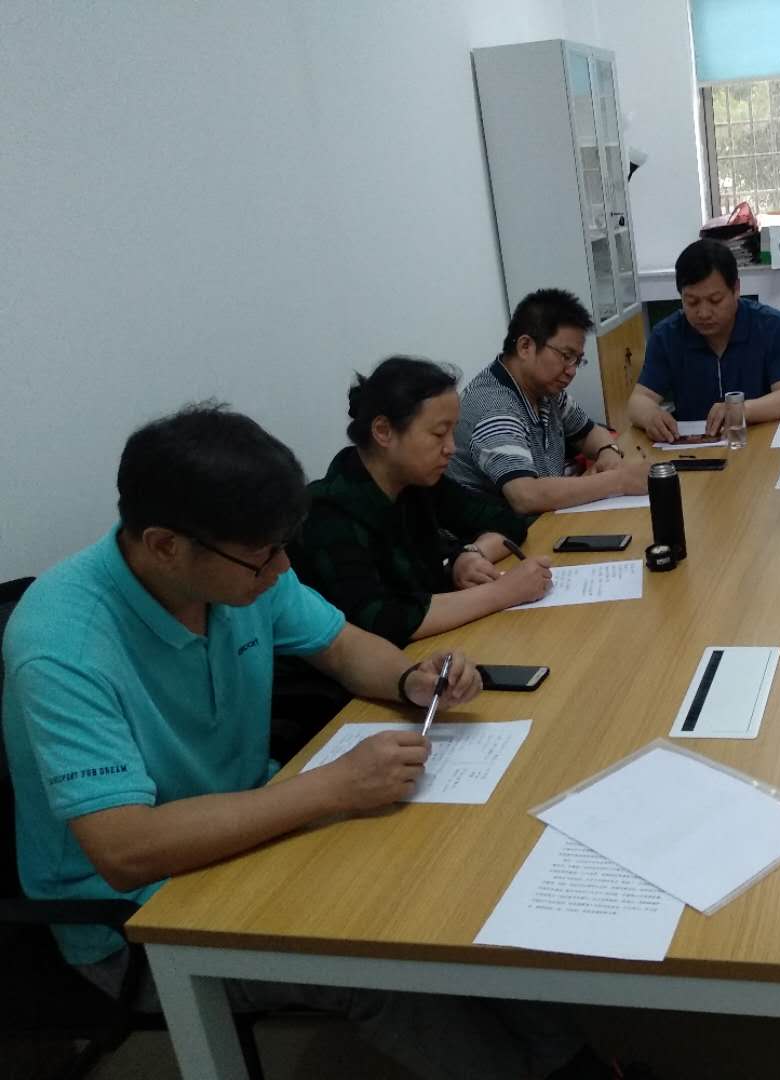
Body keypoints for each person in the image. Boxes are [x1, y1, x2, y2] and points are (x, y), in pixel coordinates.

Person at [0, 405, 601, 1079]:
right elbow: (125, 850)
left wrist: (410, 678)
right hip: (135, 918)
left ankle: (569, 1063)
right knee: (378, 959)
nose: (282, 567)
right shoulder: (62, 645)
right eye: (264, 557)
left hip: (254, 820)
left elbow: (341, 646)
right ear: (165, 545)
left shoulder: (241, 568)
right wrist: (333, 787)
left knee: (449, 876)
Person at [291, 356, 553, 646]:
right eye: (439, 434)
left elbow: (506, 521)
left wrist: (468, 556)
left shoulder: (416, 480)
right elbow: (381, 620)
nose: (450, 448)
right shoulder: (328, 512)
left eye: (452, 432)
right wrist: (504, 592)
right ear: (383, 431)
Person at [449, 288, 651, 514]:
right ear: (525, 347)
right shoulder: (494, 408)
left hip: (548, 521)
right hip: (501, 531)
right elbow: (526, 496)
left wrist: (608, 451)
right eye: (566, 356)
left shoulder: (546, 390)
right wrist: (619, 481)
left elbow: (590, 433)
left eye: (577, 360)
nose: (572, 371)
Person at [627, 239, 780, 442]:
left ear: (736, 289)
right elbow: (639, 400)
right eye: (692, 302)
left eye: (715, 300)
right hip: (694, 450)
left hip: (758, 443)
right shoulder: (666, 336)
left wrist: (740, 410)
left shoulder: (774, 327)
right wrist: (650, 416)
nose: (703, 313)